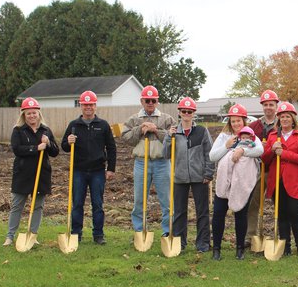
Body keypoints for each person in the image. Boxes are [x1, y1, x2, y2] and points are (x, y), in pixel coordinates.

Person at [61, 91, 116, 245]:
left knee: (97, 204)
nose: (88, 107)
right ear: (81, 106)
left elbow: (111, 147)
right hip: (78, 170)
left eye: (91, 104)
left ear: (95, 106)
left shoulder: (103, 125)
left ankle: (98, 235)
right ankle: (76, 234)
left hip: (98, 171)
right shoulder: (74, 125)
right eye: (85, 105)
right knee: (77, 203)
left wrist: (111, 168)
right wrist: (68, 141)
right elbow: (64, 146)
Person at [209, 104, 263, 260]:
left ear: (244, 120)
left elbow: (259, 150)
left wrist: (242, 150)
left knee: (240, 214)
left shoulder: (251, 135)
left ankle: (240, 249)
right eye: (233, 121)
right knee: (219, 213)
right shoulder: (224, 136)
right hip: (224, 182)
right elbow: (212, 156)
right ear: (229, 122)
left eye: (238, 121)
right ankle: (217, 249)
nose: (236, 124)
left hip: (242, 182)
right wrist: (227, 147)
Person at [4, 98, 59, 246]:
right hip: (23, 174)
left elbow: (55, 152)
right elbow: (17, 149)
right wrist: (36, 148)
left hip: (41, 174)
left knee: (38, 207)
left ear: (38, 113)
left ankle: (33, 236)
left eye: (34, 113)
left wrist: (48, 144)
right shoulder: (18, 130)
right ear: (23, 115)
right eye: (28, 113)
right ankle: (10, 236)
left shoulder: (46, 130)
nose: (32, 116)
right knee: (17, 205)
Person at [163, 97, 214, 253]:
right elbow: (165, 154)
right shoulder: (173, 133)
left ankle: (203, 243)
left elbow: (209, 153)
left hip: (200, 177)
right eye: (184, 111)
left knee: (202, 211)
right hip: (179, 177)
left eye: (189, 112)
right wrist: (168, 138)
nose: (186, 114)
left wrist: (209, 173)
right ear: (179, 113)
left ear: (193, 114)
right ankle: (180, 242)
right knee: (179, 211)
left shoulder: (202, 131)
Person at [121, 85, 174, 237]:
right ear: (142, 101)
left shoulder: (166, 119)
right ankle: (139, 230)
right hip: (141, 163)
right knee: (139, 199)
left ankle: (168, 230)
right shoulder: (134, 119)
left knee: (166, 200)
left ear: (157, 101)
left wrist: (156, 130)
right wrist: (140, 129)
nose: (150, 103)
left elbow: (173, 139)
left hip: (162, 163)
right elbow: (126, 138)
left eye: (153, 100)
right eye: (147, 100)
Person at [261, 102, 298, 255]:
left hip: (294, 181)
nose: (285, 119)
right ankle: (285, 247)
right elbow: (265, 159)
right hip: (277, 181)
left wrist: (284, 154)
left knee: (294, 213)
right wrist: (271, 149)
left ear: (293, 119)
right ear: (278, 119)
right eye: (282, 117)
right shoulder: (273, 136)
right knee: (281, 215)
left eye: (287, 116)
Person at [246, 89, 279, 246]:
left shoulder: (282, 123)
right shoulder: (254, 126)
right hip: (257, 169)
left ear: (276, 106)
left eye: (271, 104)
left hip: (275, 169)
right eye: (265, 105)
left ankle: (278, 236)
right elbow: (245, 144)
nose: (268, 107)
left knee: (278, 203)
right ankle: (251, 236)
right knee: (253, 203)